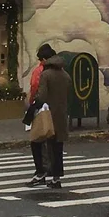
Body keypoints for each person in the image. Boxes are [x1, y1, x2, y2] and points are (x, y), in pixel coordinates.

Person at [31, 44, 70, 189]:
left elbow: (42, 96)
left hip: (47, 115)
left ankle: (42, 172)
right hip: (61, 114)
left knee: (39, 143)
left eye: (41, 59)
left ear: (46, 59)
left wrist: (33, 109)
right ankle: (56, 178)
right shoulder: (65, 74)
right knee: (57, 147)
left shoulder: (45, 75)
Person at [26, 48, 47, 187]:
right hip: (55, 109)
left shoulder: (39, 71)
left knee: (37, 139)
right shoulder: (60, 71)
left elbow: (34, 86)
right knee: (51, 140)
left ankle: (41, 170)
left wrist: (31, 101)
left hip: (40, 108)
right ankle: (52, 172)